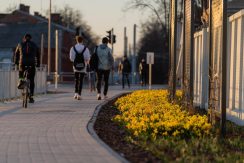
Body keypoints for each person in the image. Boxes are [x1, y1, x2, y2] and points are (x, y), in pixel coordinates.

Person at [14, 33, 40, 103]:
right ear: (31, 38)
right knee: (31, 80)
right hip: (31, 64)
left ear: (24, 38)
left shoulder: (20, 44)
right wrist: (38, 64)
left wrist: (16, 62)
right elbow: (38, 55)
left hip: (22, 63)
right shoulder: (34, 45)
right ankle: (31, 97)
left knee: (21, 72)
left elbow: (16, 54)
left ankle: (21, 81)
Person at [70, 35, 90, 100]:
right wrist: (85, 62)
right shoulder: (85, 48)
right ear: (82, 40)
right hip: (83, 66)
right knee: (81, 80)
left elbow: (71, 58)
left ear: (76, 40)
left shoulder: (73, 48)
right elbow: (87, 58)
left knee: (76, 79)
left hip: (75, 66)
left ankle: (75, 93)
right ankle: (79, 94)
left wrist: (76, 61)